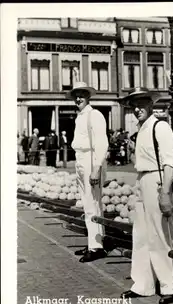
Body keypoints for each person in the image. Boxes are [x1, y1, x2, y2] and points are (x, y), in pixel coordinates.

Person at [118, 87, 173, 304]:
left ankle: (172, 285)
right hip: (142, 180)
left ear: (151, 105)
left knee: (161, 234)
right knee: (142, 235)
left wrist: (165, 192)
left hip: (157, 181)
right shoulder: (141, 130)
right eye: (134, 105)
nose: (137, 109)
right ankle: (143, 284)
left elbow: (169, 162)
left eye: (142, 104)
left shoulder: (160, 126)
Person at [67, 82, 109, 263]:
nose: (78, 99)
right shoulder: (80, 117)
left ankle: (96, 247)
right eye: (76, 95)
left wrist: (96, 169)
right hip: (81, 160)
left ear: (88, 96)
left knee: (92, 204)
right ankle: (95, 240)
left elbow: (102, 143)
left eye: (82, 95)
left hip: (91, 160)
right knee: (88, 204)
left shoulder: (95, 115)